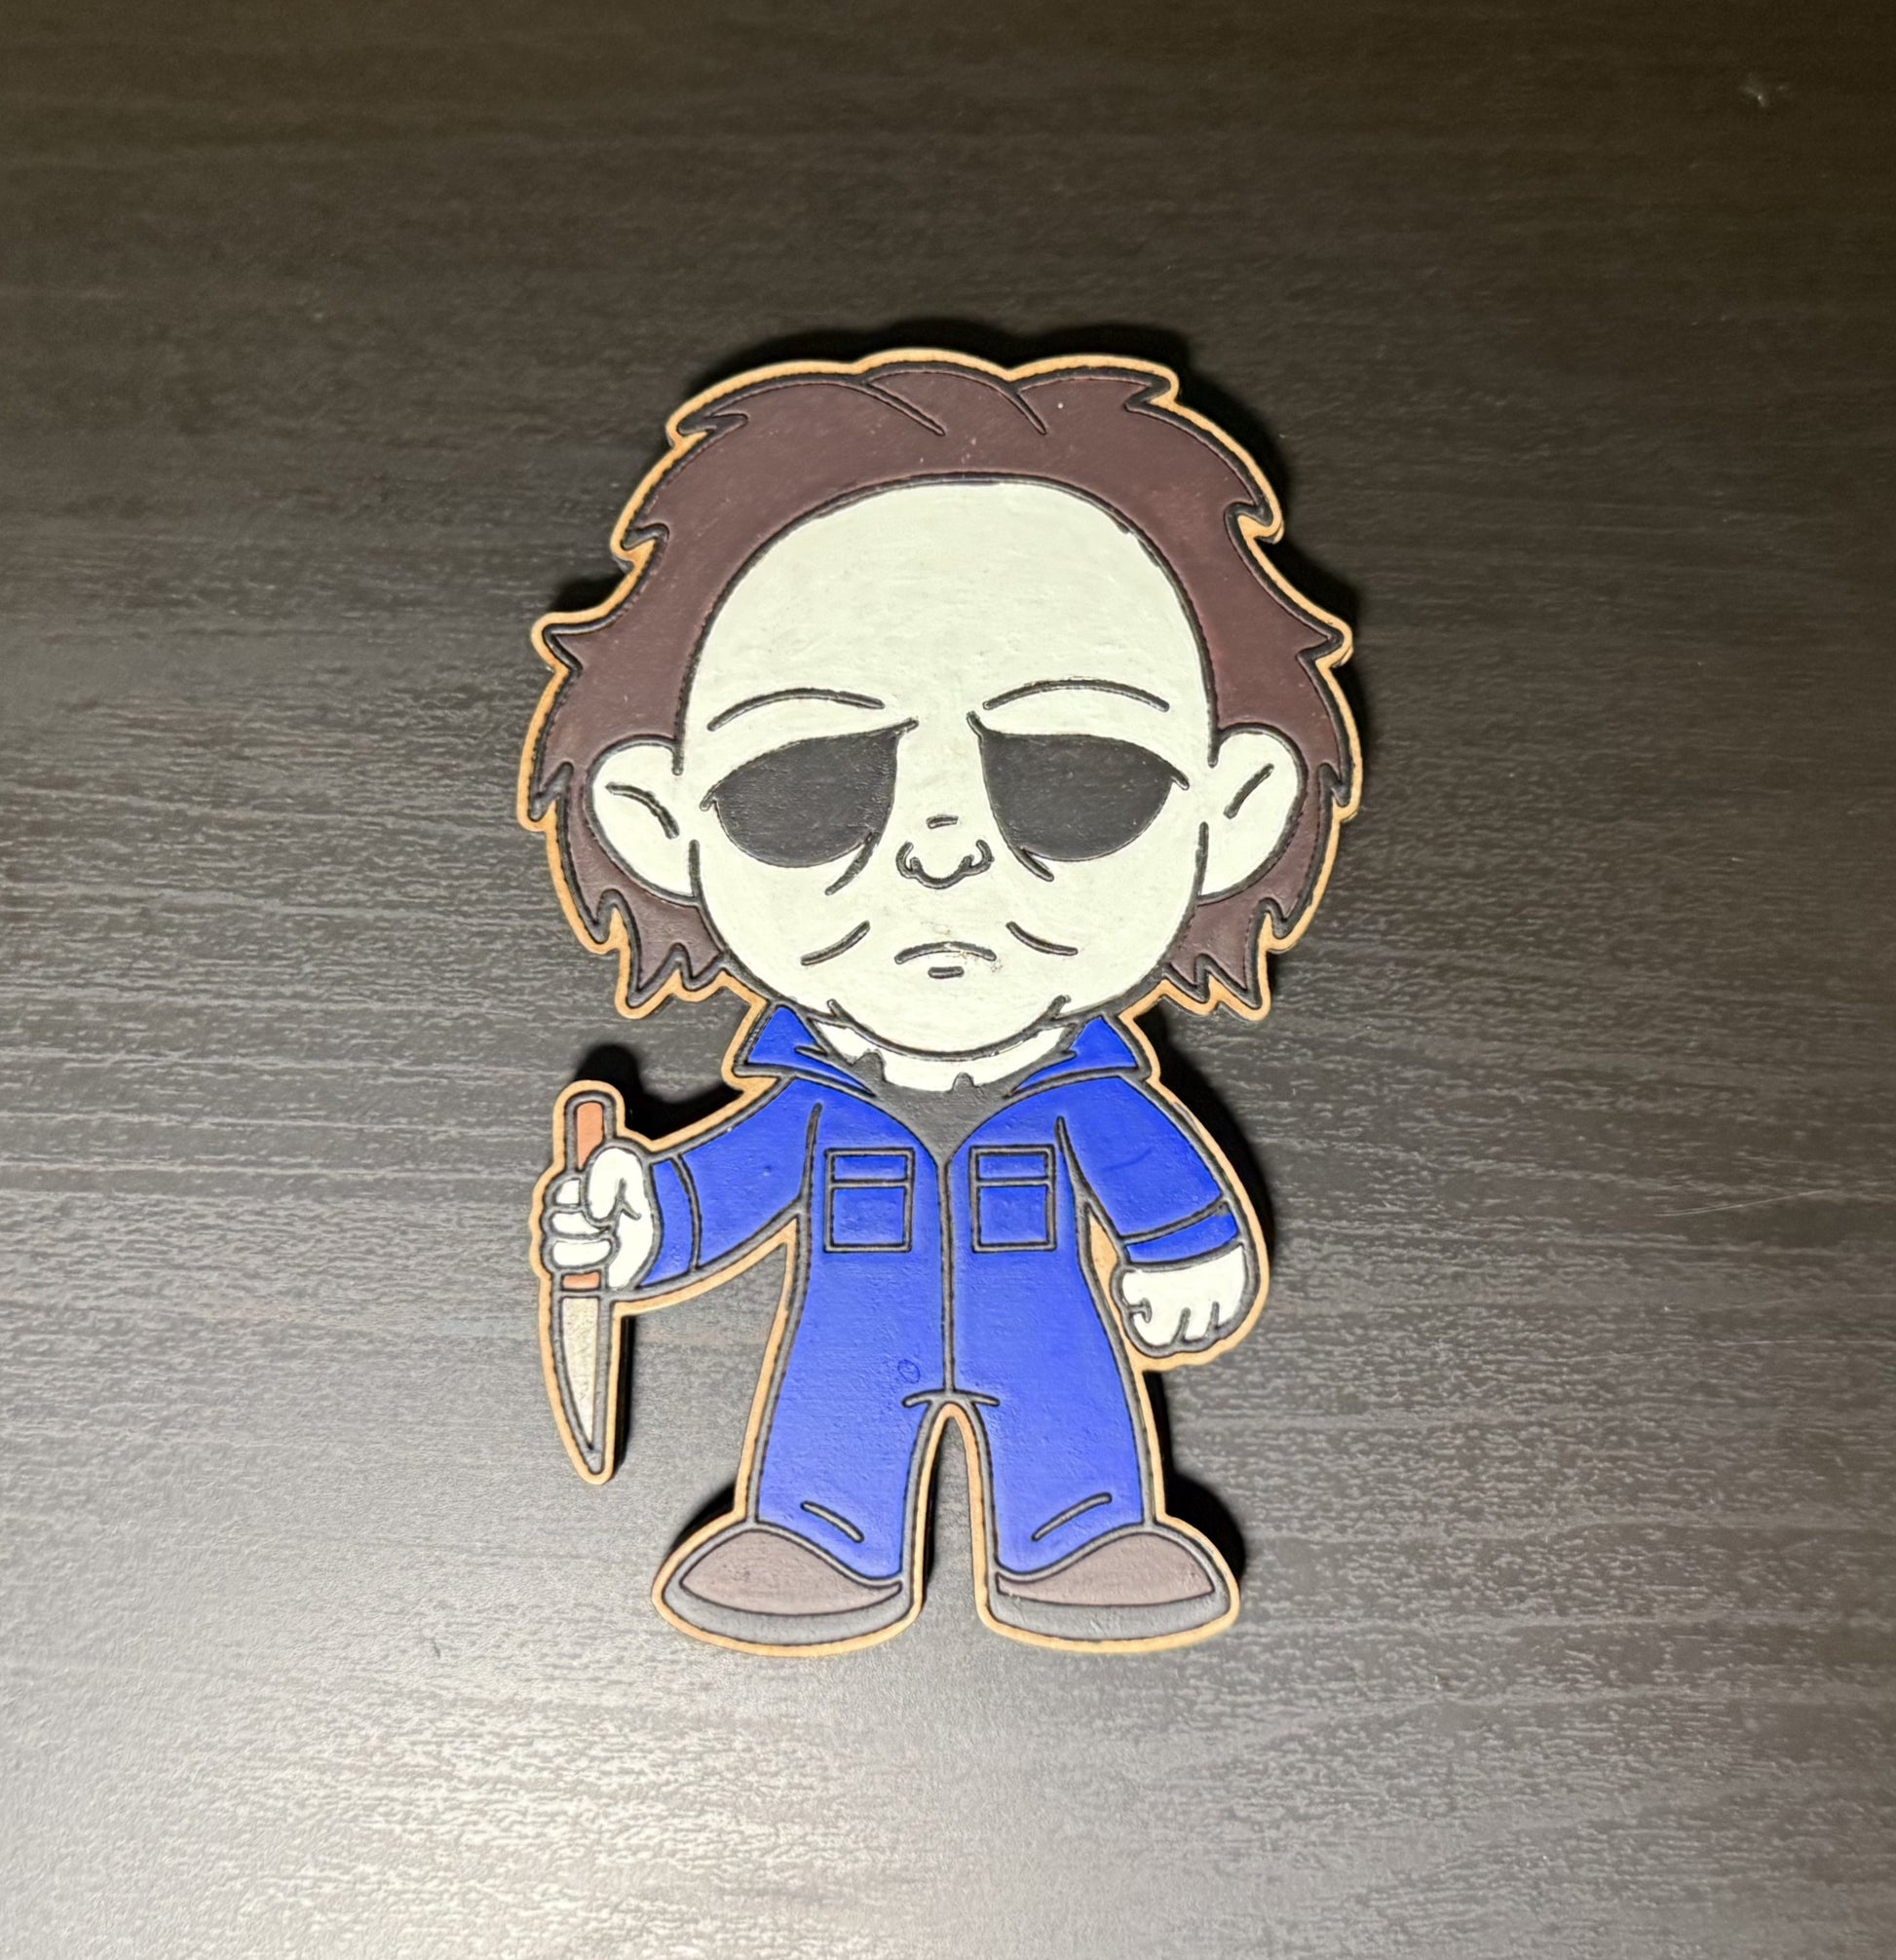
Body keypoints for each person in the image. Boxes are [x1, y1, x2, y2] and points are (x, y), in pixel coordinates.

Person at [520, 351, 1359, 1653]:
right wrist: (638, 1223)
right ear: (657, 819)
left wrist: (1193, 1250)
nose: (942, 851)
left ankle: (1079, 1533)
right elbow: (724, 1190)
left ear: (1235, 806)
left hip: (1052, 1331)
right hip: (854, 1341)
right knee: (831, 1429)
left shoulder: (1093, 1092)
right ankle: (818, 1532)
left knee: (1070, 1424)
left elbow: (1156, 1178)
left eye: (1075, 778)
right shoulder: (805, 1102)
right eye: (808, 787)